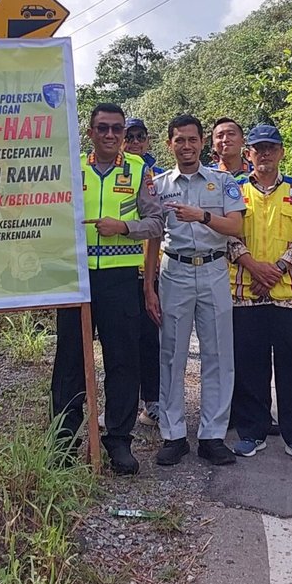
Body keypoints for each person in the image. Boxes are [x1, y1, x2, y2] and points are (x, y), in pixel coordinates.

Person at [56, 105, 164, 474]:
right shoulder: (71, 170)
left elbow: (156, 223)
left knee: (123, 361)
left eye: (117, 129)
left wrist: (123, 227)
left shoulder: (138, 170)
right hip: (76, 278)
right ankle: (65, 441)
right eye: (103, 128)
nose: (111, 134)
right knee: (69, 361)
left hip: (120, 280)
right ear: (90, 132)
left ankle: (118, 440)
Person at [146, 114, 246, 467]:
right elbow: (153, 237)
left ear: (202, 142)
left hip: (215, 269)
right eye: (179, 140)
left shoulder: (223, 181)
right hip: (174, 271)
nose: (186, 146)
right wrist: (149, 287)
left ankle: (211, 435)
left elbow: (235, 225)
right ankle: (173, 435)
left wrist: (201, 216)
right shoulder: (158, 185)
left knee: (218, 354)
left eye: (192, 139)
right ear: (169, 143)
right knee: (171, 354)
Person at [226, 125, 292, 464]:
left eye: (271, 148)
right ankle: (252, 432)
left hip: (288, 294)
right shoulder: (232, 189)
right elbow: (225, 234)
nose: (264, 154)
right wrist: (254, 266)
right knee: (249, 366)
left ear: (281, 152)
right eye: (258, 148)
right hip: (245, 293)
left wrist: (276, 269)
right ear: (248, 153)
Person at [125, 117, 165, 429]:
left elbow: (159, 227)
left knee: (152, 337)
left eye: (140, 136)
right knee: (124, 340)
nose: (135, 141)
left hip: (154, 269)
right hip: (121, 268)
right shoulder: (114, 171)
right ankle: (123, 402)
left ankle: (152, 400)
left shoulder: (160, 178)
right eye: (130, 136)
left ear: (148, 141)